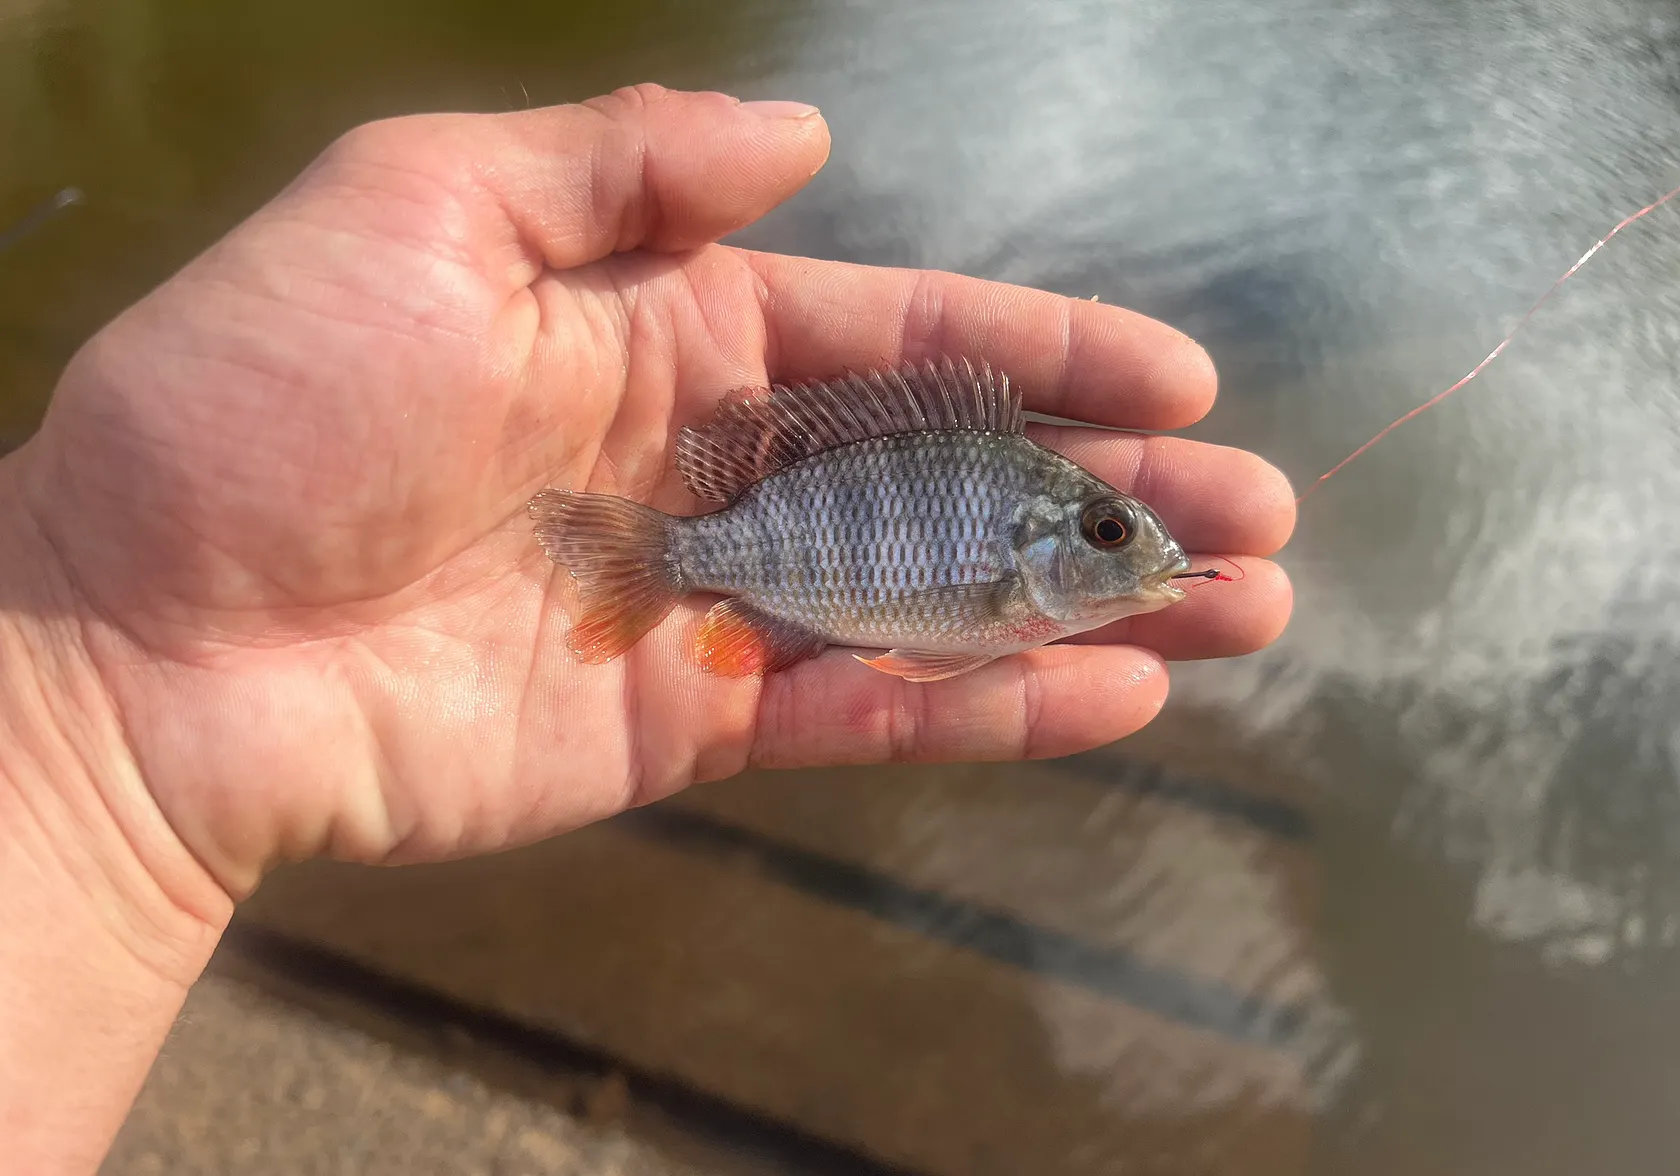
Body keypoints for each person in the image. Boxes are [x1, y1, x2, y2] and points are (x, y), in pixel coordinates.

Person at [0, 85, 1295, 1172]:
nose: (1140, 557)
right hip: (748, 561)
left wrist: (95, 704)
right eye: (1115, 536)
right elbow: (934, 633)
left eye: (1123, 541)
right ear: (1047, 546)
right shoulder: (998, 561)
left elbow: (934, 638)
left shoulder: (1013, 560)